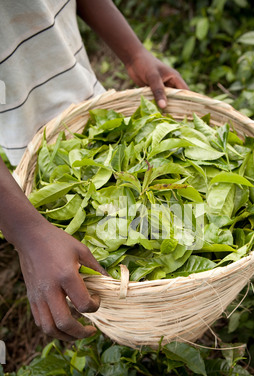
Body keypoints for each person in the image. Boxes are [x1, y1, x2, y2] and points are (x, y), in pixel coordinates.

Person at [0, 0, 188, 341]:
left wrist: (133, 53)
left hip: (80, 93)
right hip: (16, 122)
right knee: (53, 213)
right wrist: (27, 233)